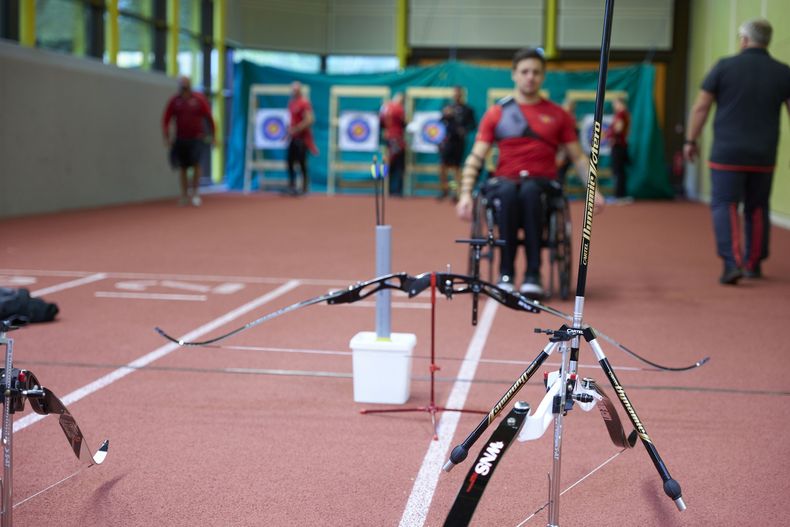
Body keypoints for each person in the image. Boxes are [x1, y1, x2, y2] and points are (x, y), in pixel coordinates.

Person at [456, 48, 603, 297]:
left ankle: (533, 273)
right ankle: (506, 273)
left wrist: (594, 191)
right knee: (508, 191)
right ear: (514, 74)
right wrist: (465, 194)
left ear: (543, 76)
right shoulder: (497, 113)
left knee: (530, 191)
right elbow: (476, 157)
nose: (530, 77)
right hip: (504, 182)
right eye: (524, 71)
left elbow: (578, 156)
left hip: (542, 184)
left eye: (536, 72)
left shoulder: (559, 115)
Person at [684, 18, 790, 285]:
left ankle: (732, 263)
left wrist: (690, 141)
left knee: (725, 204)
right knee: (757, 207)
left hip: (726, 154)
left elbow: (701, 107)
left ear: (743, 39)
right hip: (764, 154)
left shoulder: (723, 66)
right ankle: (753, 264)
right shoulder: (783, 72)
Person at [162, 76, 215, 206]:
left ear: (190, 85)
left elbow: (210, 118)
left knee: (196, 164)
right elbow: (166, 119)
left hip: (196, 138)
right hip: (181, 139)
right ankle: (184, 195)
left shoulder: (199, 99)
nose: (184, 86)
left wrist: (213, 136)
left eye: (186, 84)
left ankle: (196, 193)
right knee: (183, 168)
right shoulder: (175, 101)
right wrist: (167, 136)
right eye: (181, 84)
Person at [438, 86, 476, 201]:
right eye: (455, 93)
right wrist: (445, 115)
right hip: (446, 142)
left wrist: (464, 130)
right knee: (443, 167)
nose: (456, 96)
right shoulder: (448, 108)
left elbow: (473, 125)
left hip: (458, 143)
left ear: (462, 95)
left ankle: (455, 192)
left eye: (459, 93)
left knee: (456, 169)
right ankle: (444, 190)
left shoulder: (468, 110)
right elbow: (439, 124)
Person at [286, 81, 318, 195]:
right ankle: (292, 186)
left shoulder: (304, 103)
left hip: (302, 139)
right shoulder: (291, 103)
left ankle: (304, 188)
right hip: (293, 138)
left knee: (302, 163)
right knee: (289, 162)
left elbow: (310, 120)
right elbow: (290, 120)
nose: (294, 92)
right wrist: (288, 133)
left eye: (296, 90)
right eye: (293, 90)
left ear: (300, 91)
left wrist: (296, 129)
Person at [379, 92, 406, 196]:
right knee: (398, 164)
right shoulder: (399, 108)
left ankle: (387, 188)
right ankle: (397, 190)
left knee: (389, 162)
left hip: (388, 137)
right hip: (396, 138)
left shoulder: (385, 107)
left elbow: (381, 122)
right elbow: (403, 122)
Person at [608, 96, 630, 200]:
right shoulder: (621, 114)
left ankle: (619, 195)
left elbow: (619, 129)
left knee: (618, 171)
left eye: (615, 103)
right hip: (620, 146)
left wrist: (613, 137)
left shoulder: (621, 114)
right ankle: (620, 194)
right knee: (619, 171)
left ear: (620, 103)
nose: (614, 106)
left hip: (619, 146)